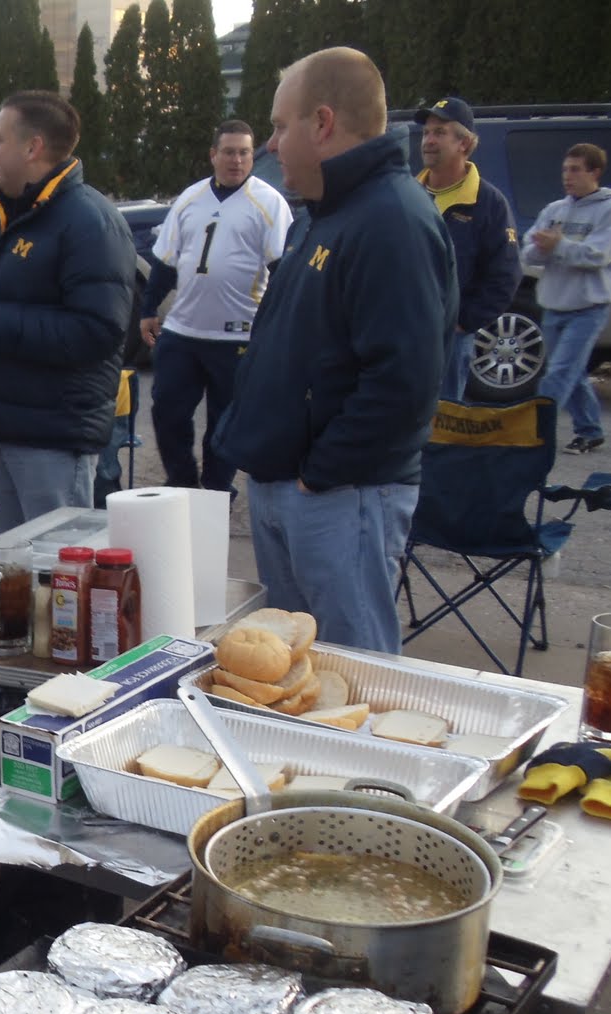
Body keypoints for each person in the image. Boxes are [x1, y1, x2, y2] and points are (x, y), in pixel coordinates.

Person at [213, 47, 456, 655]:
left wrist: (318, 475)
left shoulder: (393, 220)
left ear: (322, 123)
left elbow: (404, 381)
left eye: (280, 126)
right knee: (297, 675)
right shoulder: (324, 214)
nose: (271, 145)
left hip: (340, 495)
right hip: (294, 486)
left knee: (353, 675)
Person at [0, 90, 136, 533]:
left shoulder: (91, 221)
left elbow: (97, 331)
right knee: (7, 562)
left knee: (53, 565)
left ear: (32, 147)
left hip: (52, 438)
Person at [140, 119, 292, 494]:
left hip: (237, 334)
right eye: (229, 152)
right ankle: (182, 482)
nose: (236, 160)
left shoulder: (268, 202)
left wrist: (277, 328)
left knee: (225, 422)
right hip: (184, 330)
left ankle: (217, 491)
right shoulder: (190, 199)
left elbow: (282, 272)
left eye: (244, 153)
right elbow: (166, 261)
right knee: (167, 409)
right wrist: (148, 308)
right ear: (213, 155)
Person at [414, 97, 521, 404]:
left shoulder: (489, 203)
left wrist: (464, 322)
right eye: (426, 132)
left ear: (464, 143)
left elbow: (505, 275)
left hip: (450, 341)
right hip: (402, 334)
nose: (428, 140)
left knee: (443, 420)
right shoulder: (407, 193)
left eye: (440, 132)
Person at [521, 142, 611, 454]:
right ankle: (590, 430)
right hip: (554, 303)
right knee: (572, 371)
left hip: (589, 306)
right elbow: (528, 252)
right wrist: (543, 248)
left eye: (576, 170)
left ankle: (531, 433)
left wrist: (558, 246)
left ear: (595, 172)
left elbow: (598, 255)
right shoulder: (554, 210)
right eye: (565, 169)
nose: (568, 176)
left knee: (560, 373)